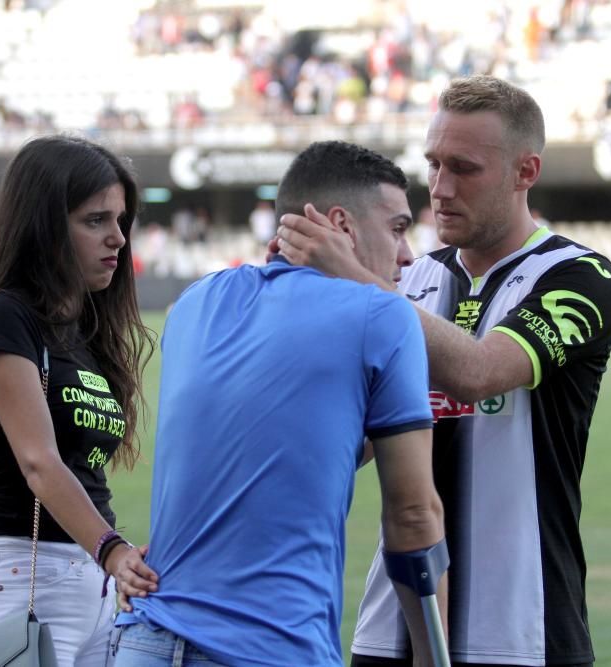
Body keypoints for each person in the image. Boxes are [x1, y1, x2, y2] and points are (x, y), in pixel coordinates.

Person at [277, 75, 611, 667]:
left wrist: (352, 278)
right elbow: (342, 443)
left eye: (464, 168)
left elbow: (481, 371)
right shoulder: (407, 279)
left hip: (522, 627)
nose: (440, 188)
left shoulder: (578, 276)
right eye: (433, 165)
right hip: (391, 623)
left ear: (525, 172)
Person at [113, 141, 448, 666]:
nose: (408, 255)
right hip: (271, 647)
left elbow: (279, 437)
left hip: (144, 641)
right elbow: (412, 514)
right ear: (341, 226)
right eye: (399, 229)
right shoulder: (384, 315)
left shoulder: (195, 303)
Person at [0, 134, 159, 666]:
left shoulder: (82, 333)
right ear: (44, 226)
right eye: (95, 220)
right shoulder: (5, 318)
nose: (117, 238)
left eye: (121, 221)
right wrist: (112, 550)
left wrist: (109, 558)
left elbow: (84, 473)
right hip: (18, 578)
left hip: (88, 580)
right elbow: (39, 461)